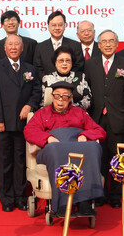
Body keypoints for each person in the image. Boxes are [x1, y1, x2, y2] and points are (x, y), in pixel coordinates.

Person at [24, 82, 106, 217]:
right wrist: (48, 138)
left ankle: (85, 202)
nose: (60, 100)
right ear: (52, 96)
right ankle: (61, 204)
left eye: (65, 97)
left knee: (94, 147)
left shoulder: (79, 112)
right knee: (56, 149)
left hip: (75, 148)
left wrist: (85, 135)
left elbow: (99, 131)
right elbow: (29, 131)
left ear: (70, 98)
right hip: (52, 148)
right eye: (57, 96)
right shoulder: (41, 113)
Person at [0, 35, 41, 212]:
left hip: (22, 124)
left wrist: (29, 105)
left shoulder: (30, 68)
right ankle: (6, 198)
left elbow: (36, 92)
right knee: (5, 162)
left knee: (20, 161)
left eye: (16, 44)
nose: (13, 47)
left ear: (22, 47)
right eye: (9, 44)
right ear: (4, 48)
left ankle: (20, 196)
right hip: (3, 123)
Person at [85, 30, 124, 208]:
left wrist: (123, 111)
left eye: (111, 41)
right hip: (96, 119)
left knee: (117, 159)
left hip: (118, 118)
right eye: (103, 41)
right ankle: (99, 194)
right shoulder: (90, 64)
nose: (107, 44)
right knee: (98, 157)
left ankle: (115, 196)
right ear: (98, 45)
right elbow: (87, 89)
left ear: (117, 43)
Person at [34, 10, 84, 75]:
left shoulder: (75, 45)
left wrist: (64, 80)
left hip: (70, 83)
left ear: (65, 26)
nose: (57, 28)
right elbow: (37, 69)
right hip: (47, 83)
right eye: (54, 25)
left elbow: (78, 66)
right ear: (48, 27)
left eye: (60, 25)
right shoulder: (40, 47)